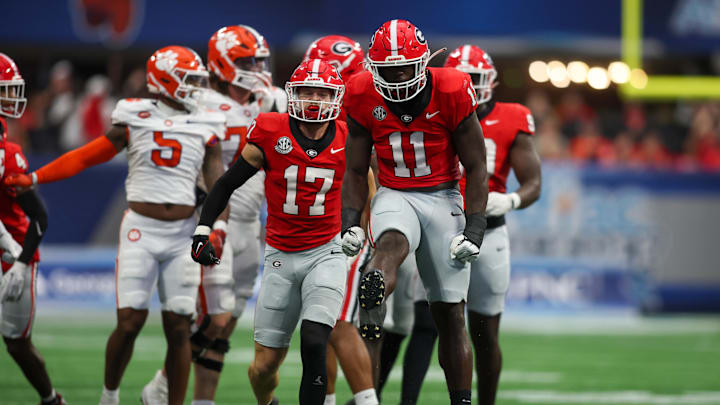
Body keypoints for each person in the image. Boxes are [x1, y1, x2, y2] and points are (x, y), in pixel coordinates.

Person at [5, 46, 226, 405]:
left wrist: (217, 227)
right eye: (189, 81)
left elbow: (218, 184)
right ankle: (109, 397)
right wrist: (37, 177)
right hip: (141, 228)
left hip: (182, 232)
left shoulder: (207, 122)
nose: (196, 89)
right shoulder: (134, 115)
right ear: (166, 81)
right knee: (129, 322)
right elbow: (87, 155)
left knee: (180, 327)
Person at [340, 19, 489, 405]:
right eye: (388, 69)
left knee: (450, 317)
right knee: (387, 247)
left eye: (404, 66)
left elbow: (475, 165)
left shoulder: (453, 87)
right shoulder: (359, 91)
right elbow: (356, 169)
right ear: (373, 67)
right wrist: (350, 223)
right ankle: (374, 298)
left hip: (443, 197)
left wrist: (474, 228)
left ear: (423, 62)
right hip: (395, 192)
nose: (397, 75)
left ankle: (461, 400)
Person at [141, 25, 288, 405]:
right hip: (213, 222)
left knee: (226, 328)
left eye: (259, 59)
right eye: (245, 61)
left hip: (251, 225)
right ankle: (160, 385)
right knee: (212, 320)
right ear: (222, 62)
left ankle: (203, 401)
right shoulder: (199, 102)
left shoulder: (270, 100)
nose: (256, 67)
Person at [191, 59, 348, 405]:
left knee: (314, 340)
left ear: (335, 97)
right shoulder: (270, 129)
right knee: (263, 368)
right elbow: (226, 183)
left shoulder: (349, 136)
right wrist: (204, 229)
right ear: (292, 94)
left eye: (321, 92)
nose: (313, 99)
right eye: (306, 91)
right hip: (281, 254)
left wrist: (362, 233)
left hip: (328, 250)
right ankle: (267, 401)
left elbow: (368, 186)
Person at [393, 44, 543, 405]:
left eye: (475, 80)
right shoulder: (431, 109)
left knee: (484, 333)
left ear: (489, 81)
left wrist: (509, 200)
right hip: (438, 228)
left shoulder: (512, 117)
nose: (470, 88)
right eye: (463, 81)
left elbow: (534, 183)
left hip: (489, 232)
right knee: (426, 324)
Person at [304, 34, 379, 405]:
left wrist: (368, 232)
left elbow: (371, 182)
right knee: (322, 323)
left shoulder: (363, 116)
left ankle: (367, 401)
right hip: (313, 233)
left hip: (348, 232)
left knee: (342, 323)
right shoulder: (303, 120)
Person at [0, 52, 64, 405]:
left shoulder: (8, 153)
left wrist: (21, 261)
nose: (12, 98)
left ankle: (51, 399)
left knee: (16, 341)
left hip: (12, 253)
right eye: (4, 90)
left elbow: (39, 215)